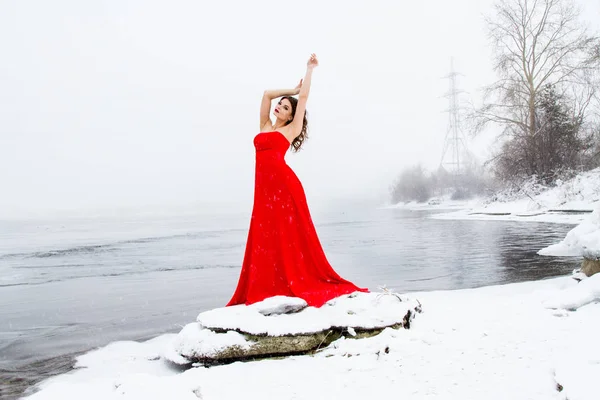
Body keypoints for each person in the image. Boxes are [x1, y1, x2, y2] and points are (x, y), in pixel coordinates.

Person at [227, 54, 368, 308]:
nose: (279, 106)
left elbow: (303, 99)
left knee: (289, 236)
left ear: (292, 117)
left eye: (285, 107)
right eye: (280, 105)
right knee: (265, 235)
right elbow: (266, 94)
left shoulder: (288, 131)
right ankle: (268, 283)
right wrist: (289, 90)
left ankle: (295, 279)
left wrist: (309, 71)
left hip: (284, 187)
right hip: (263, 191)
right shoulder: (265, 125)